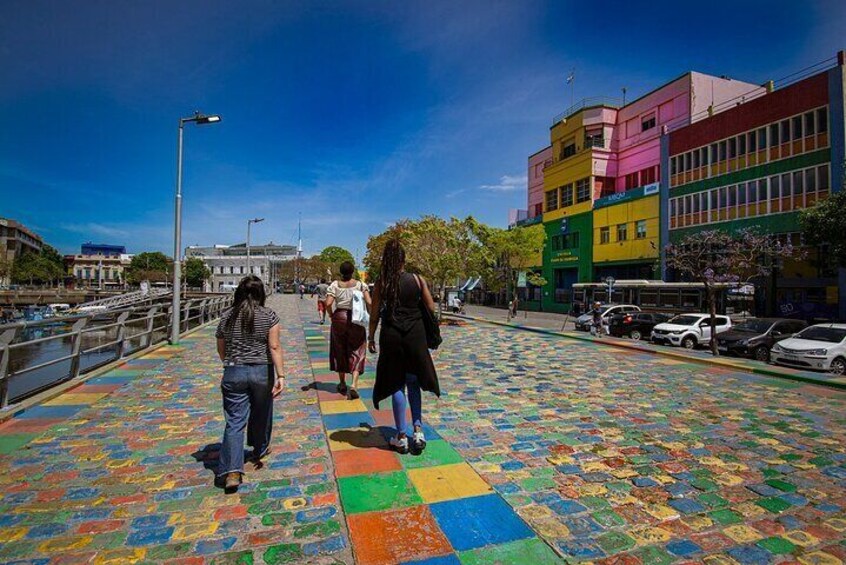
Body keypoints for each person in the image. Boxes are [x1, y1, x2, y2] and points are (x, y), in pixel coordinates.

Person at [368, 239, 440, 455]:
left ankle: (401, 436)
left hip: (391, 335)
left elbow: (374, 313)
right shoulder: (418, 280)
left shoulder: (382, 282)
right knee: (414, 381)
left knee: (396, 384)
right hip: (415, 335)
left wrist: (370, 336)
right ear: (403, 259)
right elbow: (430, 307)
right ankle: (418, 431)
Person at [215, 276, 285, 492]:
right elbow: (274, 347)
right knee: (262, 412)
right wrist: (281, 375)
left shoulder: (227, 316)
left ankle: (233, 471)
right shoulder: (269, 316)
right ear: (261, 293)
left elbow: (221, 347)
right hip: (261, 371)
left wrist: (231, 363)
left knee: (235, 422)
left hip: (234, 370)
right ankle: (260, 448)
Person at [325, 262, 371, 400]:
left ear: (340, 272)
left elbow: (327, 303)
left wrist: (331, 314)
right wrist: (369, 314)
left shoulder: (334, 284)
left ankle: (342, 382)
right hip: (356, 319)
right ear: (353, 271)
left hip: (339, 318)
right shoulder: (361, 285)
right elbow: (369, 302)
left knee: (339, 349)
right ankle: (354, 384)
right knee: (358, 349)